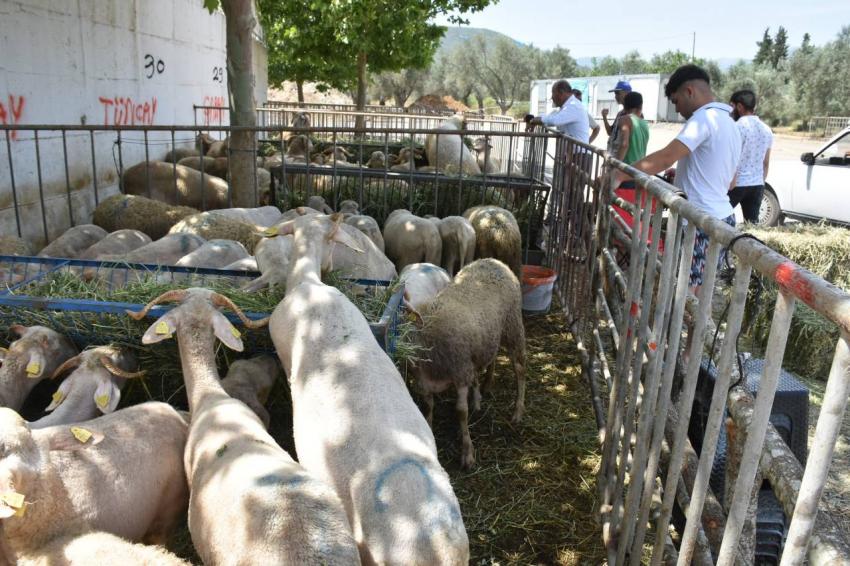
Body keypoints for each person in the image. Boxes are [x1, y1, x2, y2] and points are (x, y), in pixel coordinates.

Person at [620, 64, 741, 291]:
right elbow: (730, 180)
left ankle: (683, 326)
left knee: (686, 292)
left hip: (700, 220)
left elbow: (666, 156)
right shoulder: (729, 122)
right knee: (701, 289)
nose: (677, 110)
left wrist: (619, 172)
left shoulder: (704, 118)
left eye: (675, 101)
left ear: (689, 91)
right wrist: (686, 173)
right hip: (723, 216)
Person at [728, 89, 773, 223]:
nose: (730, 111)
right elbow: (766, 162)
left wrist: (729, 185)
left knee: (719, 220)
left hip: (736, 183)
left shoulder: (736, 127)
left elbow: (731, 160)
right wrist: (761, 181)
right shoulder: (767, 129)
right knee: (752, 226)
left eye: (732, 106)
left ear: (740, 107)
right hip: (757, 183)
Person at [525, 80, 590, 144]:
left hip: (579, 154)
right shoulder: (566, 106)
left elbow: (555, 120)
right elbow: (550, 117)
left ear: (561, 93)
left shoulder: (573, 105)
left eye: (553, 93)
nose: (551, 97)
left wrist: (533, 121)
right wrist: (534, 120)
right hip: (572, 153)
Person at [615, 91, 649, 166]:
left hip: (627, 168)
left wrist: (614, 165)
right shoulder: (644, 123)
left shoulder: (625, 119)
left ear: (625, 106)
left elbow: (624, 144)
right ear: (641, 106)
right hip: (639, 168)